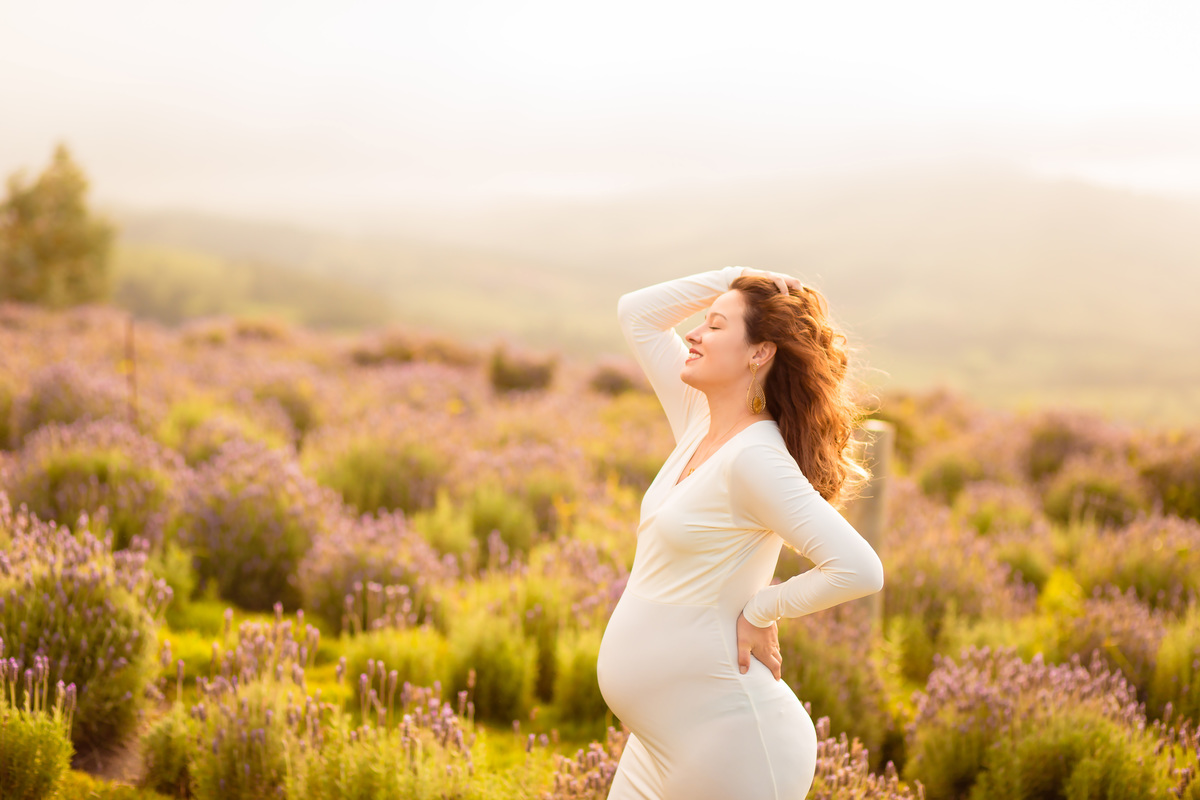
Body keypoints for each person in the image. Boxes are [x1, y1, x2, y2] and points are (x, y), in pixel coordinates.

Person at [595, 266, 885, 800]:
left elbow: (860, 569)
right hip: (662, 740)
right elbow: (635, 313)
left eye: (716, 326)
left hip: (734, 742)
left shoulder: (756, 458)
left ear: (759, 353)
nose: (693, 334)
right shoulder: (701, 423)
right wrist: (738, 276)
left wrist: (761, 611)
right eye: (703, 323)